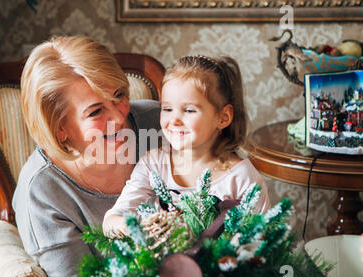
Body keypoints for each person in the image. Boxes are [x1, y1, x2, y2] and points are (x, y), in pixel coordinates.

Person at [12, 36, 161, 277]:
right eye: (95, 112)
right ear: (59, 128)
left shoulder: (161, 123)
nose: (118, 116)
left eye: (118, 95)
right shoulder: (42, 191)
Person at [103, 55, 271, 238]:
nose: (174, 120)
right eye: (167, 109)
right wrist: (138, 227)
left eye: (189, 110)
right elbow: (112, 220)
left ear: (223, 117)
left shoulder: (242, 178)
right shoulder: (154, 164)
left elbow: (261, 244)